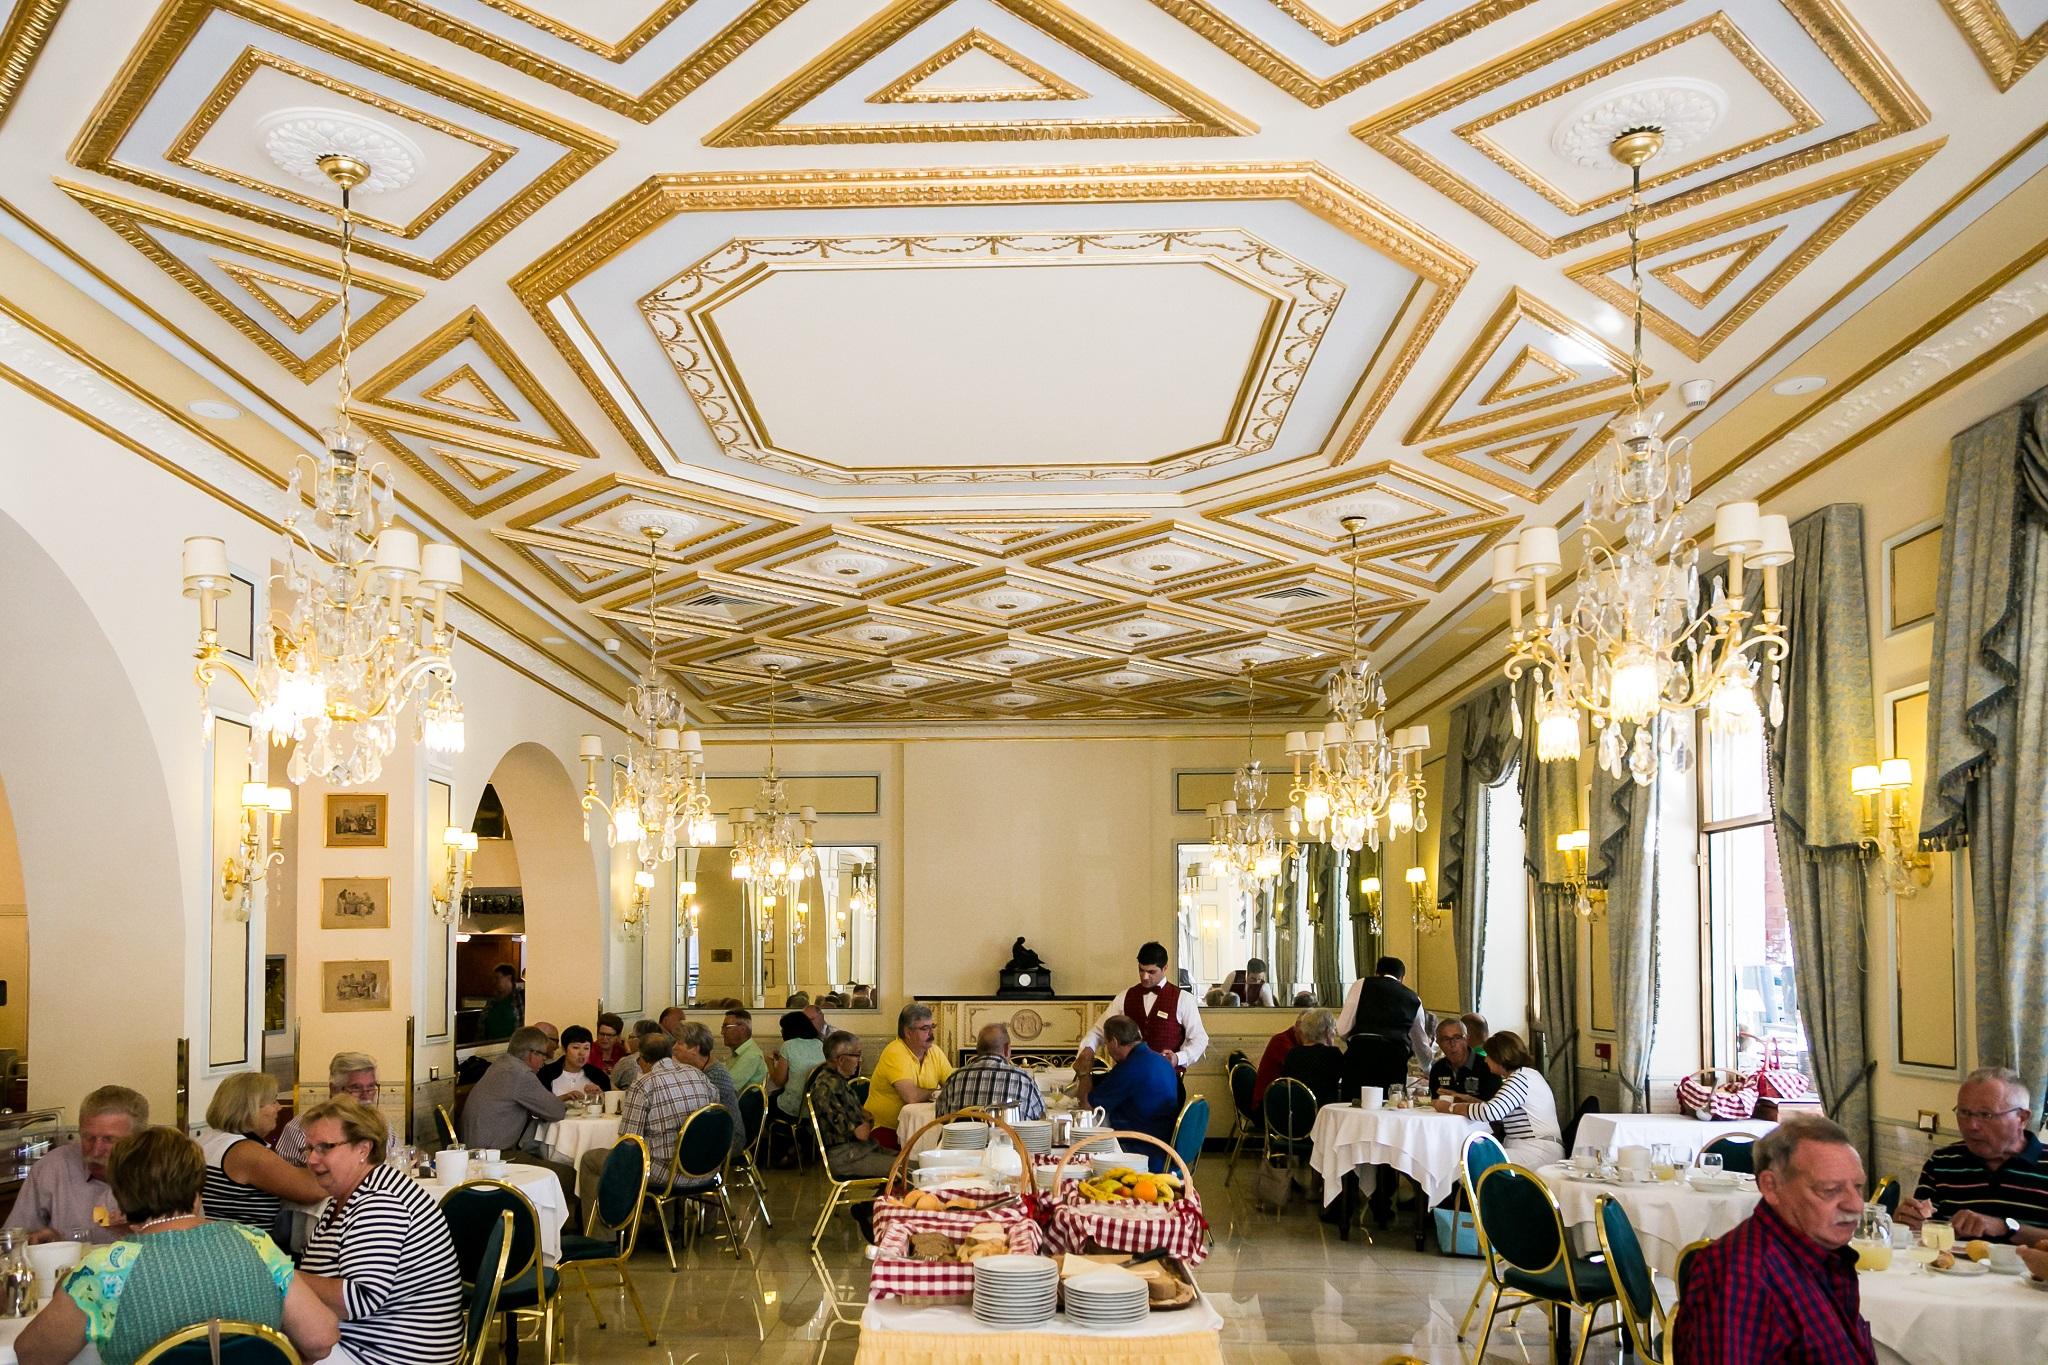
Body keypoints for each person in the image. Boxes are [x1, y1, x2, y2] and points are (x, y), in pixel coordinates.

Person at [12, 1127, 337, 1365]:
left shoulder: (105, 1269)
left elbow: (32, 1355)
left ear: (122, 1196)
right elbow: (320, 1340)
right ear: (198, 1189)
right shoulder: (255, 1243)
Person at [1673, 1115, 1875, 1363]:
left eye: (1858, 1187)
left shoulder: (1824, 1257)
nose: (1855, 1204)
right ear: (1771, 1186)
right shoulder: (1742, 1276)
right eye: (1830, 1190)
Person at [296, 1097, 465, 1365]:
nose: (312, 1160)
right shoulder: (344, 1197)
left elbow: (359, 1298)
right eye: (309, 1149)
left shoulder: (381, 1202)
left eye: (325, 1148)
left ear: (363, 1148)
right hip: (366, 1341)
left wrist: (280, 1275)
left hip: (389, 1353)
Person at [1898, 1066, 2048, 1246]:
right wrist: (1907, 1223)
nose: (1972, 1125)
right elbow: (1924, 1233)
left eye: (1986, 1114)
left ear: (2022, 1118)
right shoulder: (1943, 1162)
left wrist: (2005, 1227)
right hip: (1951, 1271)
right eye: (1964, 1113)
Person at [1076, 942, 1207, 1104]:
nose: (1145, 977)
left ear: (1165, 968)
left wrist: (1178, 1058)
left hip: (1167, 1084)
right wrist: (1088, 1048)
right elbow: (1098, 1031)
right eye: (1141, 970)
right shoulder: (1125, 997)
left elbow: (1200, 1039)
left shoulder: (1183, 999)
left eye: (1151, 972)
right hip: (1128, 1082)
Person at [196, 1071, 326, 1235]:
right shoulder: (245, 1152)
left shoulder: (207, 1139)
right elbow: (313, 1189)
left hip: (219, 1239)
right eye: (273, 1102)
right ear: (250, 1109)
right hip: (249, 1249)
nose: (279, 1107)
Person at [15, 1085, 148, 1244]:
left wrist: (139, 1232)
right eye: (88, 1137)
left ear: (138, 1140)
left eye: (109, 1139)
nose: (96, 1150)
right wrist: (50, 1243)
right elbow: (15, 1239)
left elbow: (177, 1246)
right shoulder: (53, 1167)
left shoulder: (163, 1174)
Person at [459, 1026, 576, 1201]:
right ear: (531, 1054)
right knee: (571, 1175)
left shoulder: (501, 1064)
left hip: (475, 1152)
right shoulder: (520, 1074)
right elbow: (556, 1111)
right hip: (495, 1158)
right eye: (543, 1056)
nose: (544, 1061)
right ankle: (558, 1226)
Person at [611, 1022, 723, 1191]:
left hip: (666, 1174)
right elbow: (715, 1111)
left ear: (642, 1058)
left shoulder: (643, 1084)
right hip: (707, 1169)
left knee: (591, 1160)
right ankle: (657, 1213)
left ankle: (616, 1216)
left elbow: (629, 1140)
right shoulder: (697, 1074)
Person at [1434, 1032, 1563, 1168]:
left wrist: (1450, 1107)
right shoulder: (1526, 1075)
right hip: (1532, 1148)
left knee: (1469, 1165)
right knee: (1467, 1160)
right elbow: (1498, 1108)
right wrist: (1466, 1099)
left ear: (1499, 1057)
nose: (1485, 1060)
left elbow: (1491, 1112)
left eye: (1488, 1056)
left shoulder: (1520, 1079)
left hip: (1537, 1151)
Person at [1087, 1015, 1180, 1170]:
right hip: (1166, 1142)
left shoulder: (1129, 1068)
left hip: (1140, 1145)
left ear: (1115, 1042)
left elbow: (1088, 1107)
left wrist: (1084, 1073)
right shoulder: (1162, 1061)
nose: (1107, 1049)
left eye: (1106, 1043)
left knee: (1086, 1151)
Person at [1334, 955, 1434, 1097]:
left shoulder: (1362, 983)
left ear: (1376, 973)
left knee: (1354, 1102)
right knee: (1390, 1105)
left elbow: (1343, 1028)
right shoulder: (1414, 998)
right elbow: (1420, 1041)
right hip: (1394, 1058)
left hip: (1362, 1053)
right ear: (1401, 978)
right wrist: (1427, 1068)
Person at [865, 1002, 953, 1146]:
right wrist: (937, 1092)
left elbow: (953, 1085)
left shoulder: (934, 1051)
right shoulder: (895, 1052)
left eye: (932, 1027)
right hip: (886, 1129)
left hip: (921, 1125)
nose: (931, 1034)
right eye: (925, 1029)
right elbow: (911, 1096)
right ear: (908, 1032)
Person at [811, 1031, 893, 1178]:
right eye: (857, 1055)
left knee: (909, 1161)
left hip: (853, 1152)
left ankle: (878, 1200)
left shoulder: (830, 1079)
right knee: (912, 1169)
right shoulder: (834, 1086)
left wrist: (865, 1117)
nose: (859, 1060)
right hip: (848, 1157)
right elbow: (862, 1133)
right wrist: (867, 1118)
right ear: (841, 1060)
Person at [277, 1052, 379, 1166]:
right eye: (356, 1088)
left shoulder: (382, 1127)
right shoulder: (301, 1129)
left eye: (371, 1087)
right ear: (334, 1089)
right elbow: (287, 1181)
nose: (365, 1096)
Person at [935, 1024, 1046, 1120]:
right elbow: (1041, 1116)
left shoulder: (955, 1078)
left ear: (978, 1049)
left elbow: (940, 1117)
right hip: (1010, 1143)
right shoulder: (1023, 1079)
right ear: (1007, 1049)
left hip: (961, 1144)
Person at [679, 1022, 747, 1161]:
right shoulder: (701, 1069)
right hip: (711, 1133)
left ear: (694, 1049)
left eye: (679, 1044)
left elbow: (694, 1112)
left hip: (727, 1139)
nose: (674, 1048)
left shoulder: (715, 1075)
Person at [1279, 1008, 1347, 1105]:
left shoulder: (1292, 1053)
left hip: (1295, 1111)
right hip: (1323, 1111)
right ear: (1328, 1031)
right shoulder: (1332, 1054)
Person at [1427, 1018, 1500, 1104]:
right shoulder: (1438, 1068)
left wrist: (1460, 1099)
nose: (1452, 1044)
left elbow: (1495, 1108)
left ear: (1467, 1039)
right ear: (1438, 1043)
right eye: (1446, 1039)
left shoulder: (1488, 1067)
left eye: (1457, 1038)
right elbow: (1434, 1102)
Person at [770, 1009, 826, 1119]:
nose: (781, 1031)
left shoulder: (788, 1046)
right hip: (816, 1106)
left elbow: (779, 1081)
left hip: (795, 1108)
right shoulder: (820, 1043)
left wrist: (769, 1063)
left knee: (765, 1100)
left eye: (783, 1028)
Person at [1251, 1010, 1308, 1109]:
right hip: (1268, 1106)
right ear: (1298, 1026)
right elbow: (1299, 1075)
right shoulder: (1281, 1042)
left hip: (1281, 1099)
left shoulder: (1290, 1040)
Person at [537, 1025, 611, 1098]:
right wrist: (563, 1098)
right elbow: (539, 1105)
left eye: (586, 1048)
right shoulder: (545, 1074)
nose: (582, 1053)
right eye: (576, 1047)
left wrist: (600, 1095)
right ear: (564, 1049)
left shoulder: (599, 1076)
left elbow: (609, 1104)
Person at [721, 1008, 769, 1095]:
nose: (722, 1032)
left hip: (741, 1106)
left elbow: (726, 1088)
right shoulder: (739, 1052)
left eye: (726, 1027)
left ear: (742, 1029)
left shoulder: (751, 1055)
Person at [613, 1022, 664, 1089]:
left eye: (630, 1036)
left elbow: (610, 1084)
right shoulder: (666, 1061)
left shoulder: (627, 1062)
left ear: (639, 1041)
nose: (628, 1040)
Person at [480, 964, 521, 1039]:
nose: (494, 981)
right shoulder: (492, 1001)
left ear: (509, 978)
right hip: (488, 1045)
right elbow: (482, 1024)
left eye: (497, 978)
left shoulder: (519, 999)